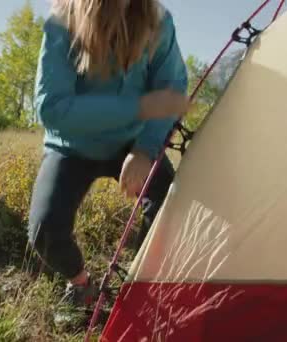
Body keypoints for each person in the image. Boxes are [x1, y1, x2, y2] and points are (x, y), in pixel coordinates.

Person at [28, 0, 189, 324]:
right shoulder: (63, 19)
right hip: (71, 146)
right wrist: (140, 108)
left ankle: (140, 290)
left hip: (135, 144)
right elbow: (51, 107)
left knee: (170, 212)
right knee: (45, 229)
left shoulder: (158, 20)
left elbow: (171, 89)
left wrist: (144, 149)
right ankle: (81, 285)